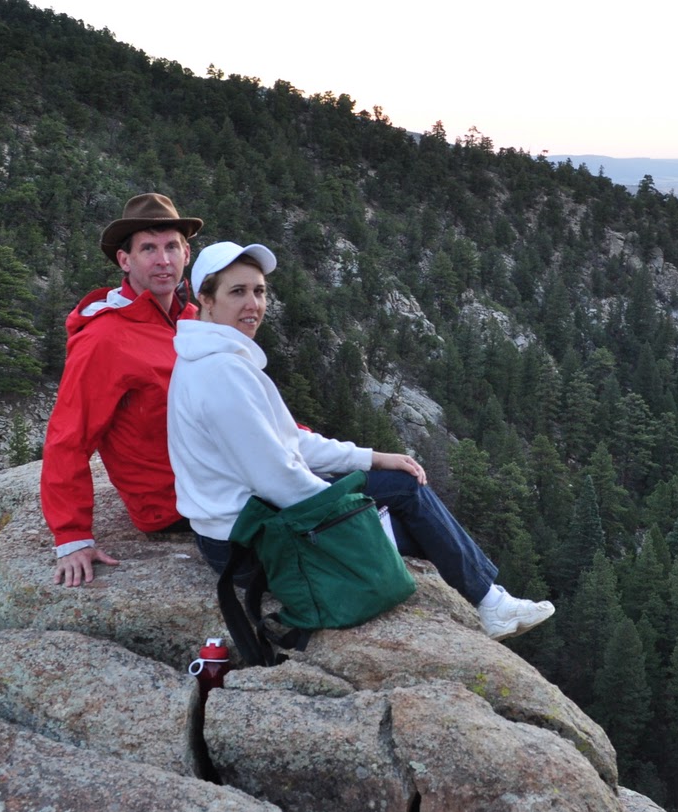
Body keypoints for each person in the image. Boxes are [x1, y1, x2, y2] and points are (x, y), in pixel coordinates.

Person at [168, 240, 555, 640]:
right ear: (206, 300)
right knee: (406, 508)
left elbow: (292, 443)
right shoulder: (222, 375)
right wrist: (353, 514)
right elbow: (278, 479)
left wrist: (372, 458)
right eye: (237, 292)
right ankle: (489, 601)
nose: (253, 304)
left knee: (402, 491)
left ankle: (489, 599)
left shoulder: (212, 358)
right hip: (250, 544)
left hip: (242, 527)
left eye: (259, 291)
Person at [40, 193, 203, 587]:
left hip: (219, 477)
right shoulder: (105, 338)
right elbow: (68, 437)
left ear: (186, 254)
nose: (163, 260)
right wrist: (72, 537)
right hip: (175, 505)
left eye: (171, 247)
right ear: (125, 260)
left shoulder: (193, 320)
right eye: (148, 249)